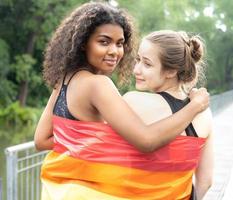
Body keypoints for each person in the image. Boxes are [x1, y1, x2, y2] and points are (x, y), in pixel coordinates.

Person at [34, 2, 210, 200]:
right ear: (84, 42)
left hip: (59, 191)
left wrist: (87, 143)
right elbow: (146, 140)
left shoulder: (65, 80)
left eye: (119, 43)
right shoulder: (99, 85)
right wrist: (195, 106)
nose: (114, 51)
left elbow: (41, 140)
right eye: (104, 42)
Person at [123, 30, 213, 199]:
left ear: (171, 71)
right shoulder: (203, 112)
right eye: (138, 60)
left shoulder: (132, 102)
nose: (136, 69)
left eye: (147, 64)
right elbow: (206, 181)